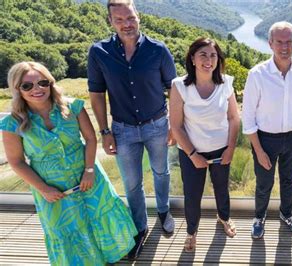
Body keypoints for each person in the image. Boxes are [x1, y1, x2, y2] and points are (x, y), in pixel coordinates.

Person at [0, 61, 138, 265]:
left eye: (42, 82)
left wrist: (89, 170)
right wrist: (43, 189)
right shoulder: (12, 123)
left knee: (99, 218)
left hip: (89, 177)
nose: (37, 89)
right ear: (17, 89)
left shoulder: (72, 107)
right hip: (52, 188)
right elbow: (17, 162)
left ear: (50, 82)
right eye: (27, 86)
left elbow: (91, 139)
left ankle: (110, 257)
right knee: (67, 228)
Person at [87, 0, 177, 259]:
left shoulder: (158, 50)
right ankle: (140, 227)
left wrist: (173, 125)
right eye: (119, 19)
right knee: (132, 183)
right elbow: (96, 94)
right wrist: (104, 132)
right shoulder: (99, 52)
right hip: (123, 130)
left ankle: (163, 210)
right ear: (110, 22)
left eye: (130, 18)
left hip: (158, 125)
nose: (126, 24)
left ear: (139, 17)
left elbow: (173, 90)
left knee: (161, 172)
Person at [242, 21, 292, 239]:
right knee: (264, 183)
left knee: (288, 180)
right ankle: (259, 217)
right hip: (266, 140)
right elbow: (248, 117)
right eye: (279, 42)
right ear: (270, 44)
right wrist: (259, 150)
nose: (284, 47)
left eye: (288, 42)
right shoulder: (257, 74)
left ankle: (287, 214)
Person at [169, 37, 239, 252]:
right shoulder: (179, 86)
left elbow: (234, 118)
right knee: (192, 194)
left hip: (220, 150)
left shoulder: (226, 83)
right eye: (203, 55)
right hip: (192, 151)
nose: (208, 60)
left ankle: (224, 218)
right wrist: (192, 154)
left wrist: (230, 149)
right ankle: (191, 231)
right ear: (192, 58)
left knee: (222, 189)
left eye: (213, 55)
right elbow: (176, 126)